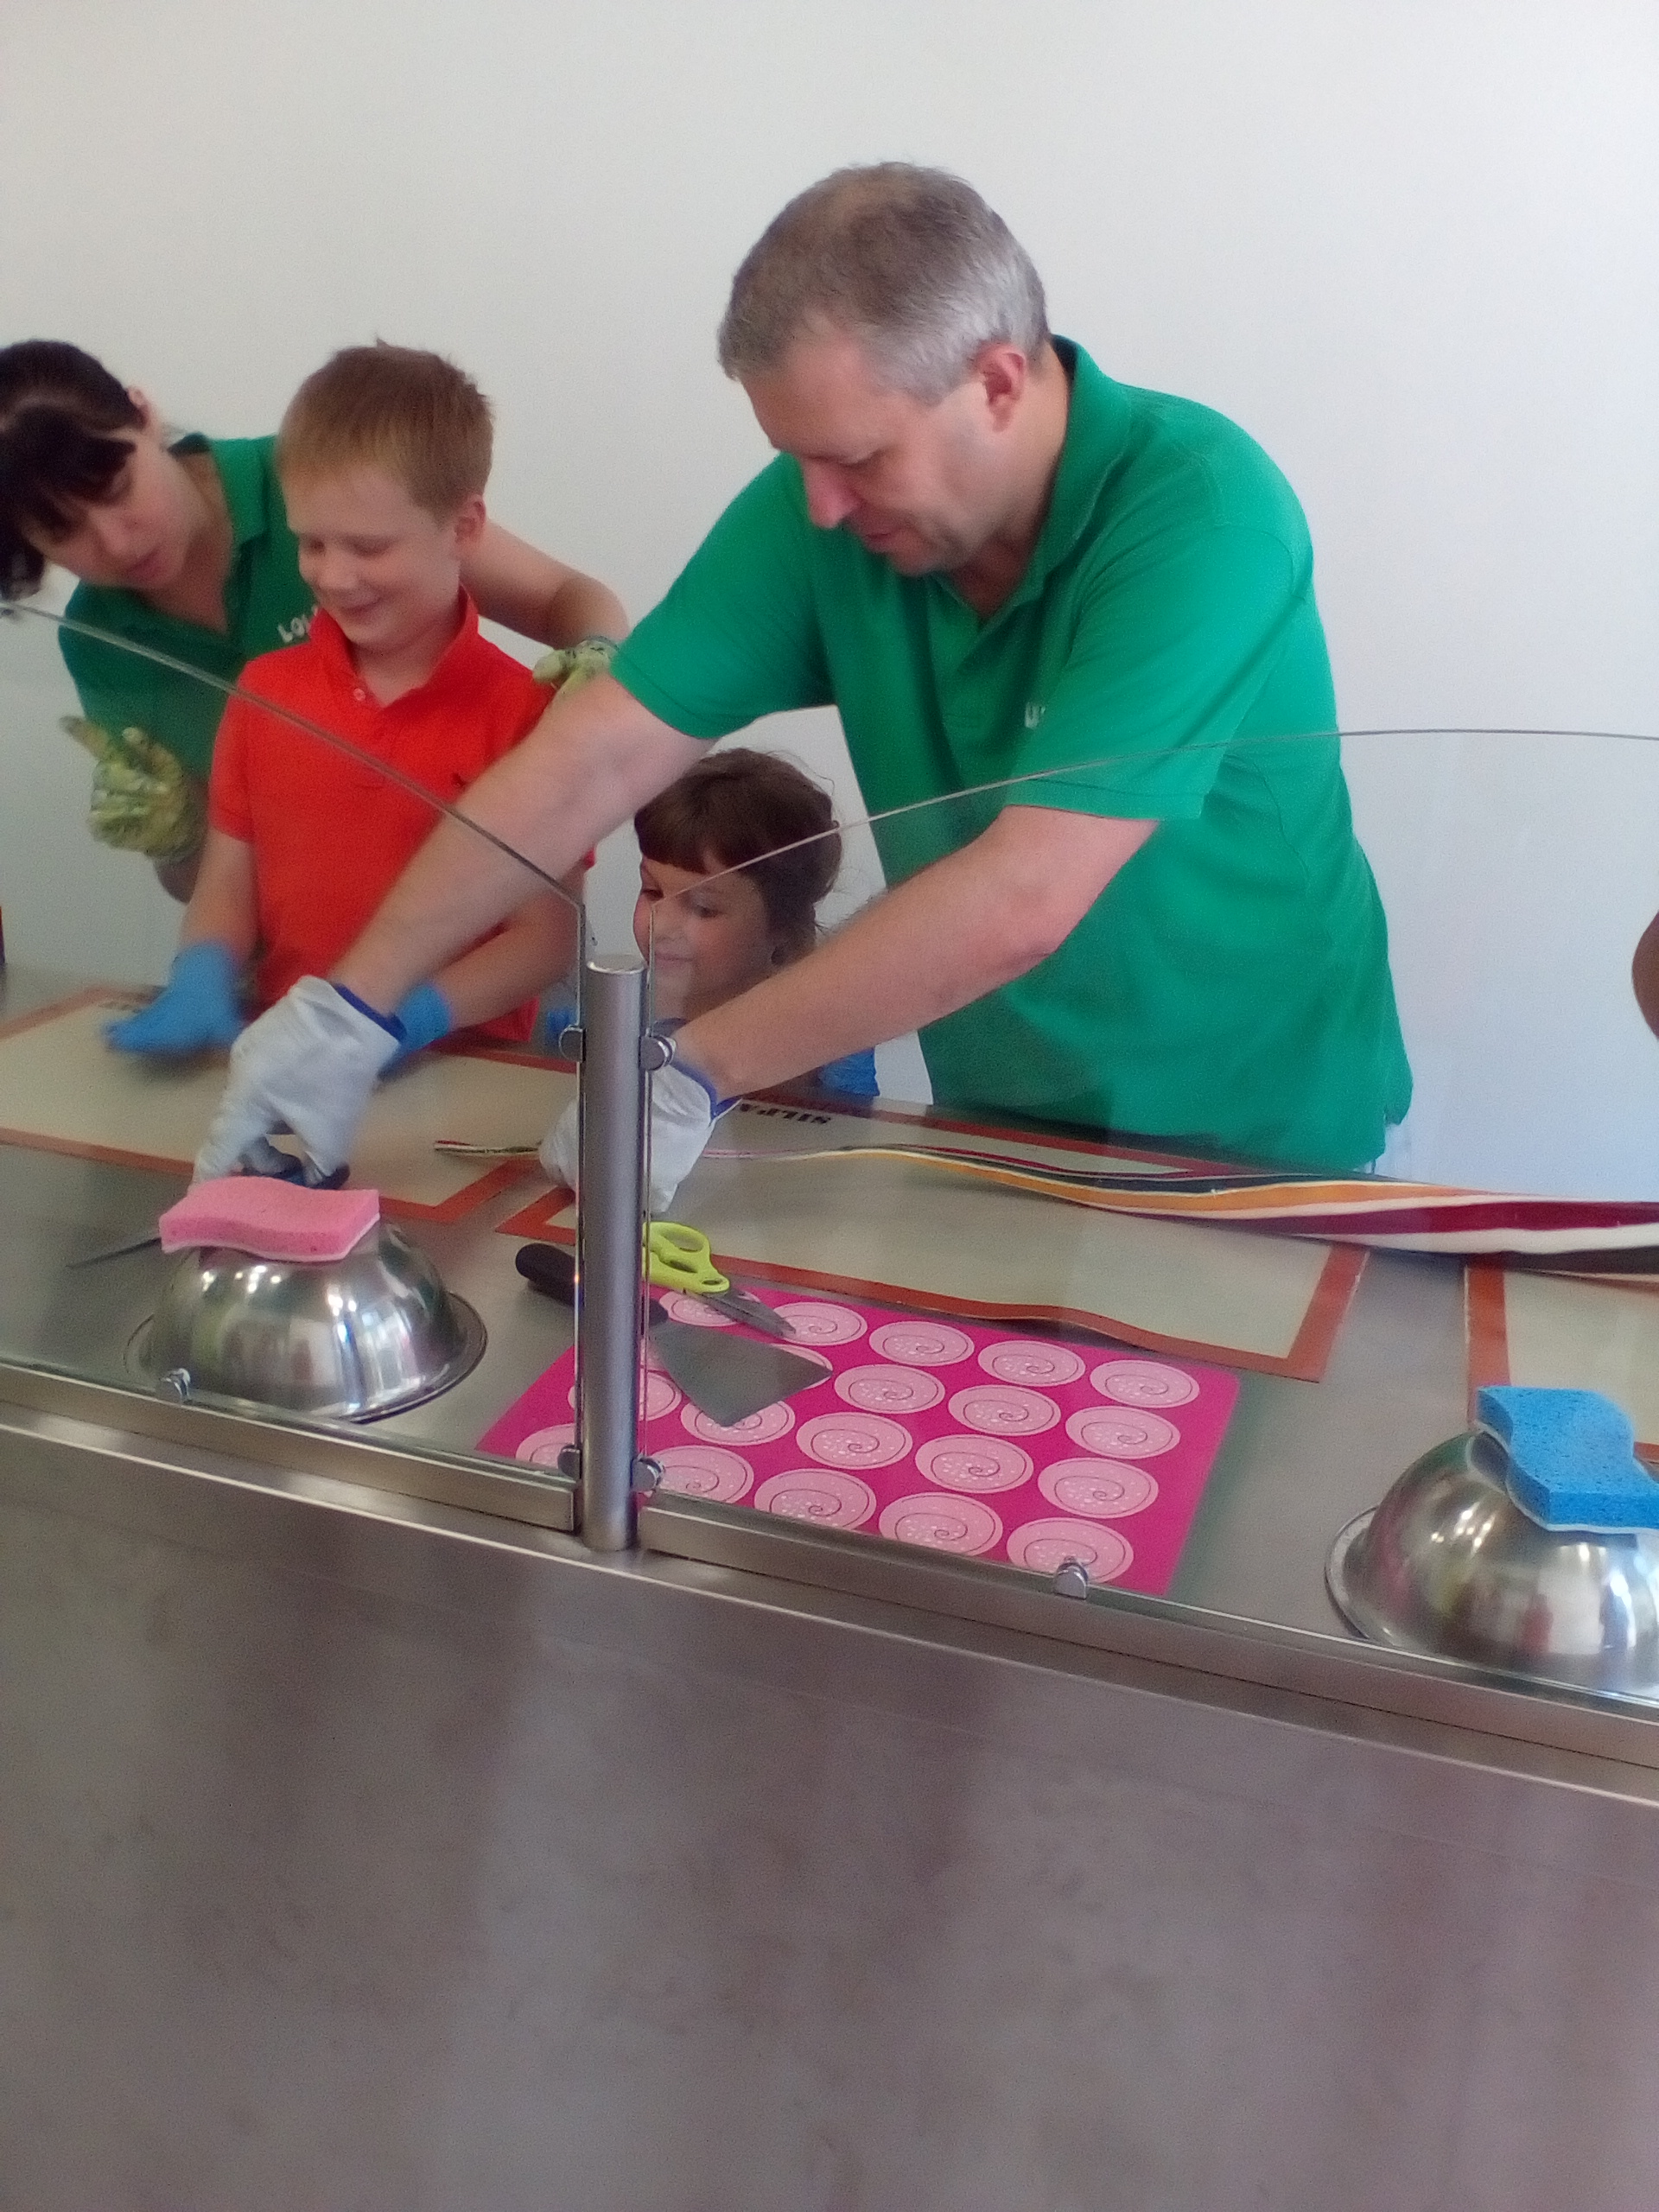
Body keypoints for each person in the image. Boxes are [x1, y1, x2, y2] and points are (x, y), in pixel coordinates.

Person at [196, 163, 1411, 1206]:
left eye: (858, 459)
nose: (821, 506)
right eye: (796, 459)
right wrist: (349, 1007)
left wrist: (690, 1071)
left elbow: (1027, 894)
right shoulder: (825, 510)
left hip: (1253, 1135)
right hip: (1003, 1119)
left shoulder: (1199, 515)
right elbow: (595, 754)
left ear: (997, 383)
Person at [0, 339, 625, 897]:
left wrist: (603, 669)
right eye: (63, 531)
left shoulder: (310, 481)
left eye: (116, 489)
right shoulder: (99, 641)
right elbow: (208, 886)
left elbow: (564, 596)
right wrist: (178, 838)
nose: (115, 542)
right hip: (290, 957)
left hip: (465, 931)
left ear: (143, 415)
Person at [105, 345, 583, 1072]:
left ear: (463, 528)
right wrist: (201, 971)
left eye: (367, 546)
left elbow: (545, 939)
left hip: (464, 1068)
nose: (334, 576)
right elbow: (226, 887)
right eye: (312, 543)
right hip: (286, 1053)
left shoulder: (526, 712)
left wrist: (405, 1019)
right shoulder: (264, 693)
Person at [542, 746, 878, 1096]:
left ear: (781, 925)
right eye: (652, 891)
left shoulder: (833, 1051)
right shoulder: (593, 1027)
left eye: (703, 908)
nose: (662, 925)